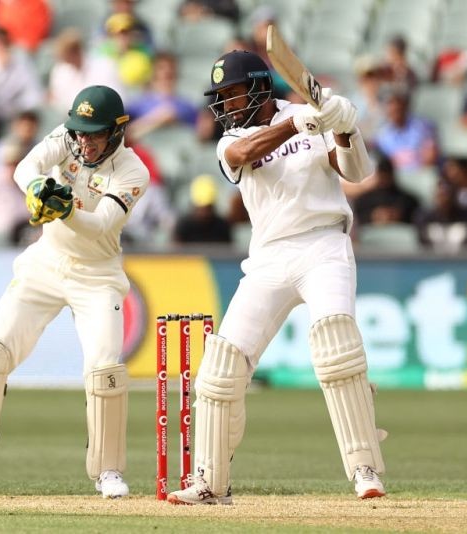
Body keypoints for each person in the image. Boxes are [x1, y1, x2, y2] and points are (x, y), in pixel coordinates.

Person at [166, 50, 387, 505]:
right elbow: (244, 153)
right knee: (221, 368)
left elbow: (358, 171)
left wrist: (344, 126)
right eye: (221, 97)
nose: (226, 105)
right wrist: (298, 123)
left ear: (260, 88)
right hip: (267, 256)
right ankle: (210, 482)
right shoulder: (233, 138)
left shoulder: (310, 116)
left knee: (335, 345)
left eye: (233, 93)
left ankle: (365, 468)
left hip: (323, 244)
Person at [0, 85, 149, 500]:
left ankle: (107, 470)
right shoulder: (67, 137)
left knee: (104, 368)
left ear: (116, 132)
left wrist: (64, 208)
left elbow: (100, 226)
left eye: (94, 134)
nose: (84, 141)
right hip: (45, 263)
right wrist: (40, 188)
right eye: (80, 132)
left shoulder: (133, 171)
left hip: (97, 275)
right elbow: (25, 167)